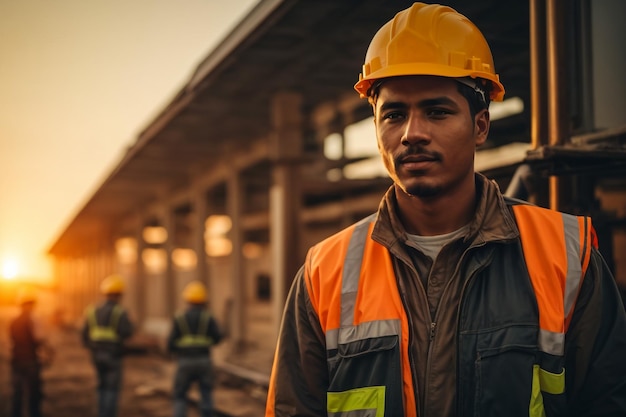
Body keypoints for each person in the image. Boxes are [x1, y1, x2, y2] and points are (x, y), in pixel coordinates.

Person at [264, 3, 626, 416]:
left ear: (480, 126)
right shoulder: (324, 272)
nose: (412, 134)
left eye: (437, 111)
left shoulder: (566, 258)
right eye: (394, 115)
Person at [167, 280, 222, 417]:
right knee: (206, 394)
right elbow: (218, 337)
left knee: (180, 395)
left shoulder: (179, 318)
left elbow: (170, 343)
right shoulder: (208, 317)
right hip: (204, 360)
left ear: (187, 299)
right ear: (204, 299)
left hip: (185, 361)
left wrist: (177, 350)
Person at [81, 274, 134, 417]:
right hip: (113, 356)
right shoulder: (120, 312)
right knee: (112, 389)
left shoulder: (91, 310)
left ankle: (101, 413)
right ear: (120, 294)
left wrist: (92, 347)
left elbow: (84, 335)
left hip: (96, 355)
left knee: (101, 386)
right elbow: (127, 332)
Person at [9, 287, 54, 417]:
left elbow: (13, 340)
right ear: (32, 304)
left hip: (16, 360)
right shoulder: (34, 320)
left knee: (17, 393)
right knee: (34, 393)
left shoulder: (14, 321)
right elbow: (38, 339)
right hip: (31, 361)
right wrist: (49, 351)